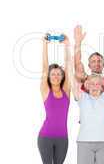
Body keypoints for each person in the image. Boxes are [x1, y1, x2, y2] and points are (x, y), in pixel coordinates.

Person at [73, 25, 104, 159]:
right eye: (93, 61)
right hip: (87, 132)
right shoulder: (84, 81)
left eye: (99, 61)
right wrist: (77, 43)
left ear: (103, 64)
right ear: (89, 65)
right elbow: (76, 64)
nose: (97, 63)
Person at [38, 33, 71, 164]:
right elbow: (45, 68)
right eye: (53, 74)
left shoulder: (67, 91)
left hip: (63, 138)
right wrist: (45, 45)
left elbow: (68, 67)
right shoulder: (46, 90)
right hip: (45, 137)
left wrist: (67, 45)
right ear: (49, 76)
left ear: (62, 76)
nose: (56, 76)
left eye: (59, 74)